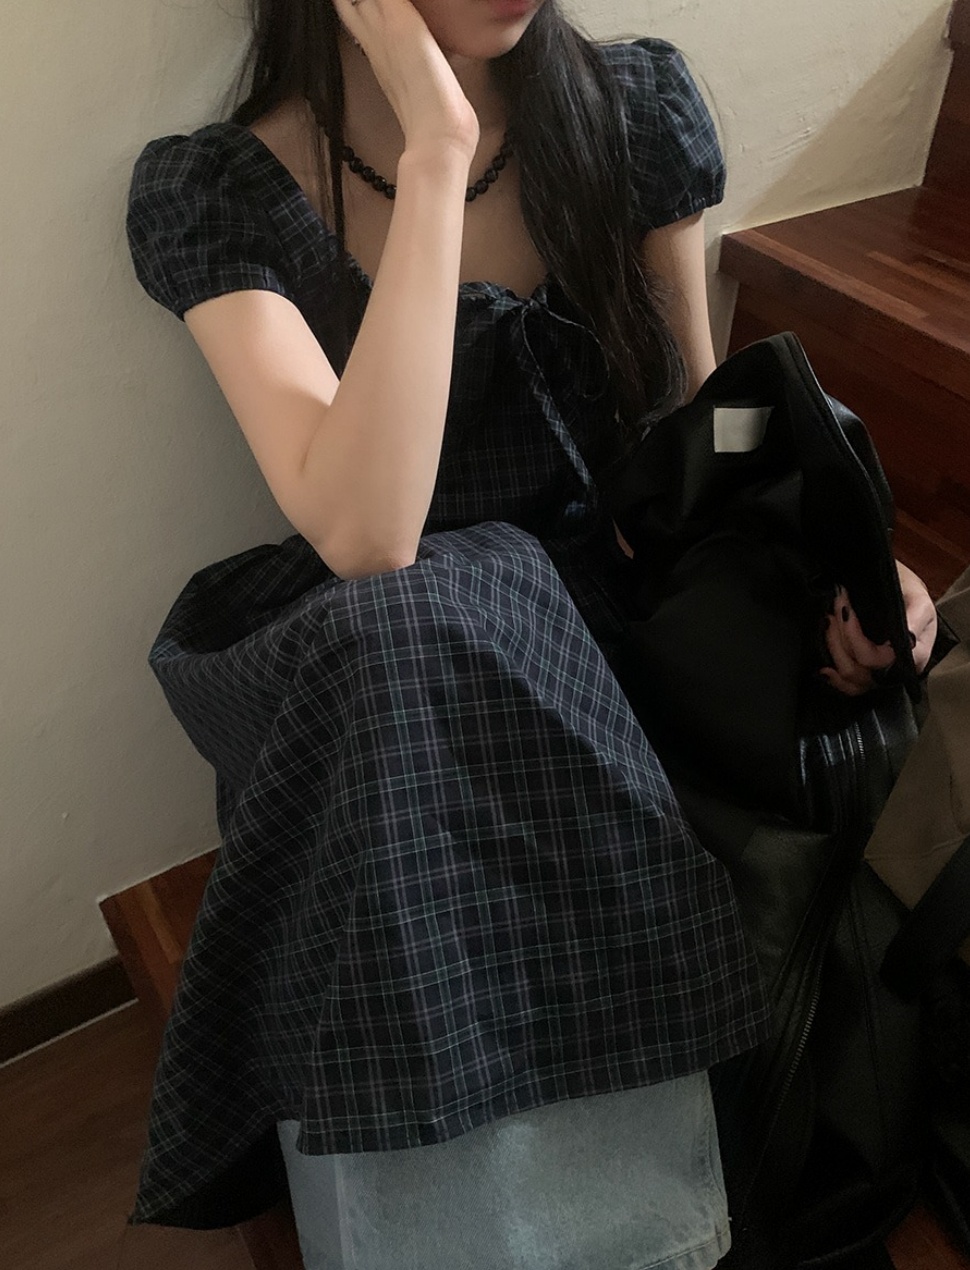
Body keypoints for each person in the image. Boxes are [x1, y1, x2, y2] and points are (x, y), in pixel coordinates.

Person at [124, 0, 938, 1266]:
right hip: (393, 678)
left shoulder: (631, 114)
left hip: (607, 629)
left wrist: (835, 549)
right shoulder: (224, 191)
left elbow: (701, 430)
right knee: (416, 618)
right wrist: (435, 151)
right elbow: (366, 533)